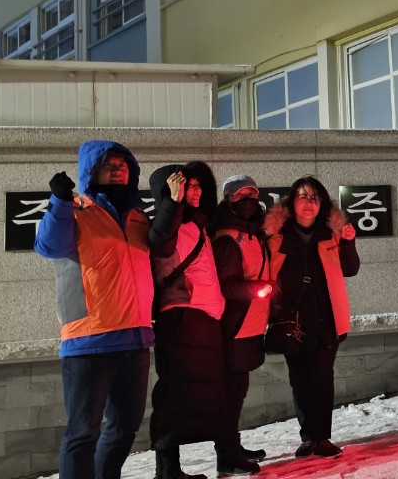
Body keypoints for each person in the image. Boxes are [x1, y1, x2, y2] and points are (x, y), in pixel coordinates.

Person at [35, 140, 153, 479]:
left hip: (135, 337)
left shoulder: (137, 215)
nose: (117, 168)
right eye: (108, 163)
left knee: (125, 428)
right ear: (92, 170)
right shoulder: (76, 209)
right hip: (90, 340)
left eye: (123, 164)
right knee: (82, 432)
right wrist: (58, 202)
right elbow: (48, 246)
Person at [146, 162, 264, 479]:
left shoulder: (196, 225)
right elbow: (160, 241)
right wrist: (172, 201)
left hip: (204, 319)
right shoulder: (169, 222)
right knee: (174, 395)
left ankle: (224, 456)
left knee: (208, 394)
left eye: (199, 186)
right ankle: (167, 470)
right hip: (183, 317)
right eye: (188, 186)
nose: (195, 192)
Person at [262, 177, 360, 458]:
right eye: (303, 196)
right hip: (291, 319)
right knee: (300, 379)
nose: (309, 202)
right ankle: (308, 437)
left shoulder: (333, 233)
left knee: (322, 377)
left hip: (327, 316)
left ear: (322, 204)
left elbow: (350, 269)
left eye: (315, 198)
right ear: (292, 202)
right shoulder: (276, 235)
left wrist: (349, 243)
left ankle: (322, 437)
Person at [208, 175, 274, 466]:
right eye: (239, 195)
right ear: (228, 199)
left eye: (252, 193)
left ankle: (232, 446)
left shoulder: (256, 233)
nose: (248, 199)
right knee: (230, 395)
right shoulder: (227, 238)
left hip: (253, 325)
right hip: (234, 327)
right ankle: (226, 455)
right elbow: (225, 285)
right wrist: (257, 288)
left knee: (238, 391)